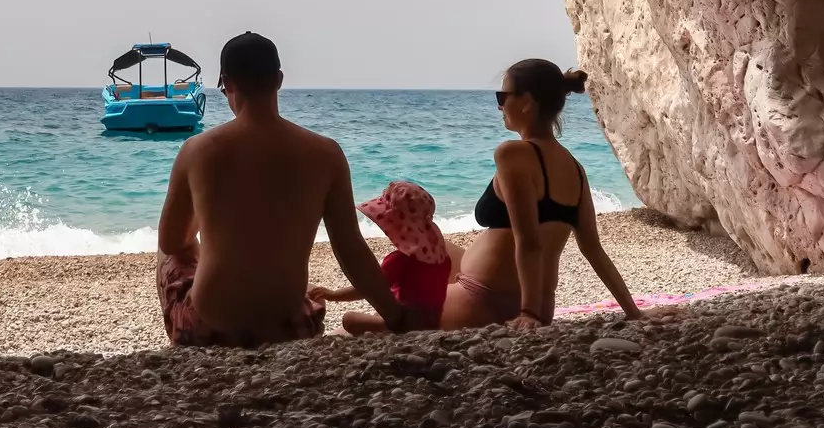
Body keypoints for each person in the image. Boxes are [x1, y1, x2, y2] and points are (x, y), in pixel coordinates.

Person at [156, 31, 409, 346]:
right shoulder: (326, 152)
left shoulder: (197, 150)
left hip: (208, 330)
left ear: (228, 83)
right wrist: (394, 315)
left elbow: (171, 240)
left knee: (170, 252)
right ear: (278, 79)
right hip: (287, 326)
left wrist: (207, 218)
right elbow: (350, 249)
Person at [439, 60, 642, 330]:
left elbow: (529, 240)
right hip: (529, 301)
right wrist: (634, 312)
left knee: (385, 317)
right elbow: (593, 249)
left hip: (485, 299)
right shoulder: (574, 167)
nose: (499, 106)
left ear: (526, 103)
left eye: (502, 97)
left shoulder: (513, 153)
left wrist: (528, 313)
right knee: (432, 244)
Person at [313, 179, 450, 335]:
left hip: (404, 325)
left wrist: (332, 295)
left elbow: (367, 288)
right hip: (432, 324)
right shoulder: (442, 258)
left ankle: (386, 331)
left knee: (348, 319)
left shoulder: (399, 261)